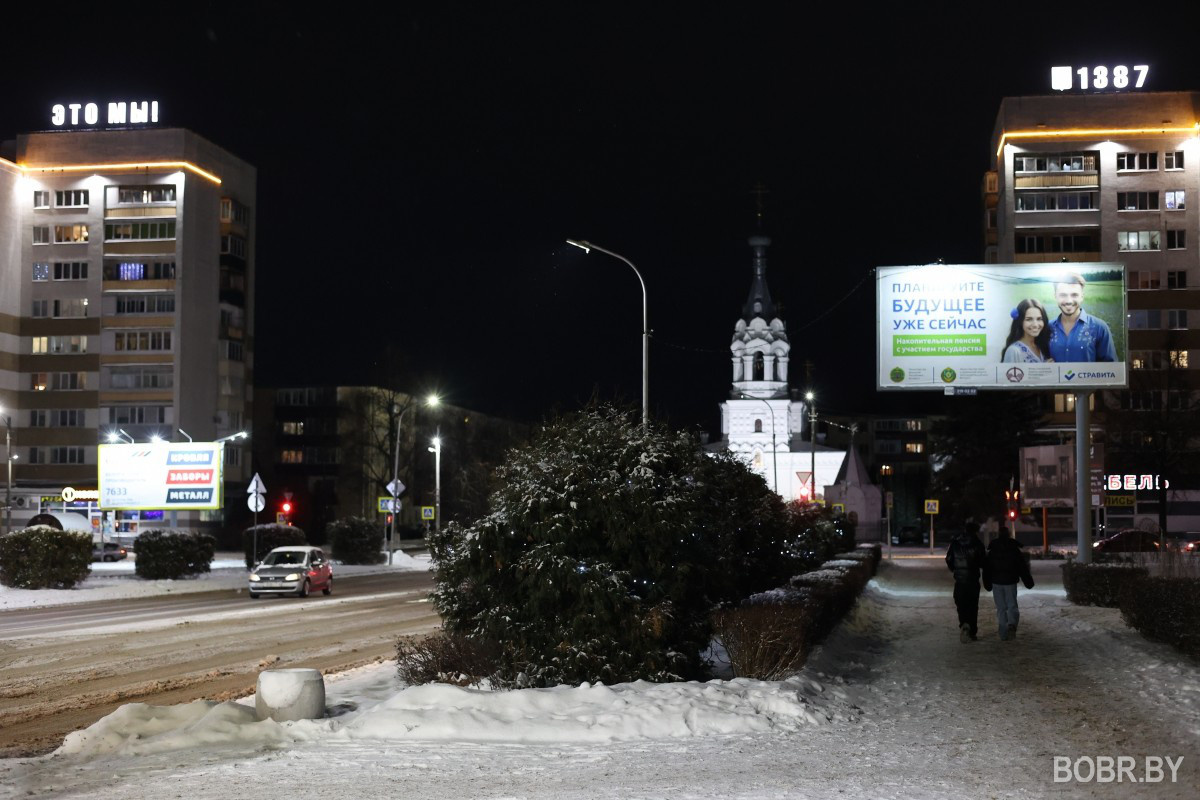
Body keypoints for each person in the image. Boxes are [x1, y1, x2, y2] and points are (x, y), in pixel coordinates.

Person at [1047, 273, 1117, 363]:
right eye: (1063, 295)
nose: (1069, 301)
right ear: (1055, 296)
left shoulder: (1100, 328)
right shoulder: (1046, 328)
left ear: (1082, 297)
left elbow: (1111, 367)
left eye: (1074, 295)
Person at [983, 526, 1035, 641]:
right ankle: (1011, 625)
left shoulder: (993, 549)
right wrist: (1028, 581)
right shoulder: (1014, 548)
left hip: (996, 582)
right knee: (1012, 605)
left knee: (1001, 608)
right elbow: (1022, 566)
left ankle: (1003, 632)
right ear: (1008, 534)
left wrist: (987, 582)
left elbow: (987, 568)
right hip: (1010, 581)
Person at [945, 521, 990, 642]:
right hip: (972, 580)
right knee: (973, 606)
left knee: (961, 604)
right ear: (975, 531)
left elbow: (949, 559)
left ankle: (964, 624)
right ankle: (972, 631)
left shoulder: (955, 543)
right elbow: (983, 561)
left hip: (959, 580)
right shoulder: (977, 543)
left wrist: (954, 568)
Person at [1002, 298, 1053, 363]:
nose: (1035, 324)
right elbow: (1010, 373)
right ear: (1020, 321)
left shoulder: (1042, 346)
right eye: (1029, 319)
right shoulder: (1014, 351)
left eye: (1039, 319)